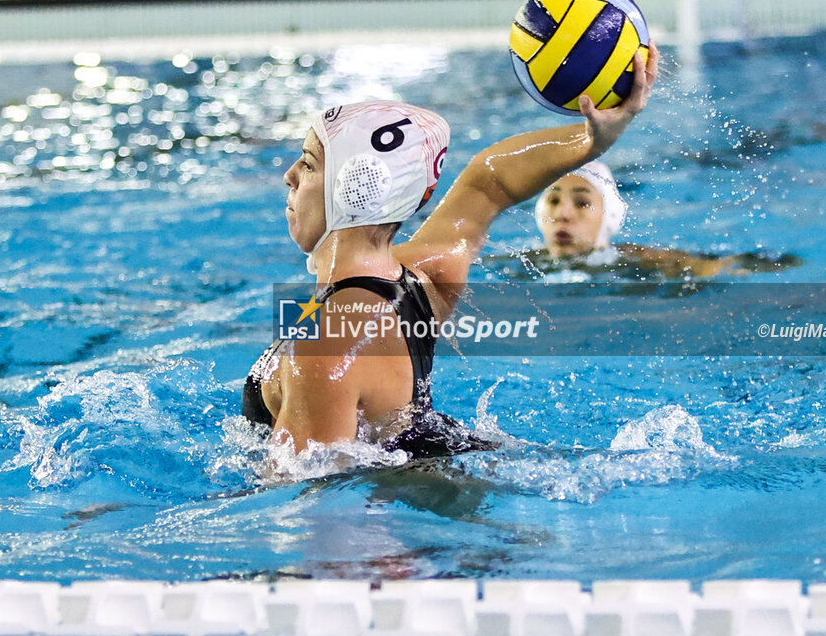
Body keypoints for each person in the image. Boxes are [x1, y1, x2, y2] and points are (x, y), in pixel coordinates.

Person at [242, 46, 659, 460]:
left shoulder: (329, 346)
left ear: (355, 187)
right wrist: (592, 140)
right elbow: (488, 181)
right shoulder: (417, 277)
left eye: (310, 164)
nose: (289, 176)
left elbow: (311, 508)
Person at [510, 160, 800, 279]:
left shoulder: (635, 261)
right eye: (553, 200)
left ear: (608, 216)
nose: (562, 214)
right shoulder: (522, 264)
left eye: (582, 202)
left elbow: (718, 269)